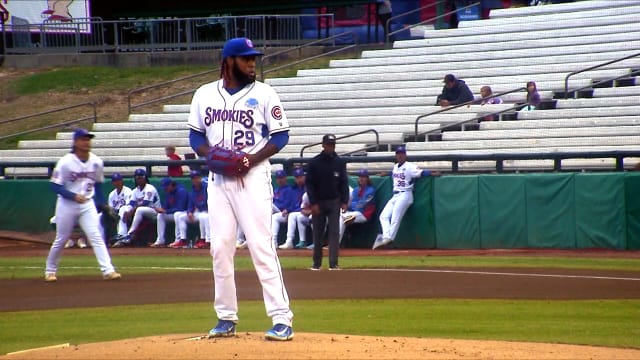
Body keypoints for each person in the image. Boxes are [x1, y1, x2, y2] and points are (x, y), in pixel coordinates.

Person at [187, 37, 294, 341]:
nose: (252, 63)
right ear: (228, 61)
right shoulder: (204, 94)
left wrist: (250, 159)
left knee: (261, 246)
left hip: (253, 179)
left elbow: (281, 136)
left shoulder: (264, 93)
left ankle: (282, 319)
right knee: (219, 248)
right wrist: (212, 156)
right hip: (218, 182)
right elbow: (195, 138)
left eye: (253, 58)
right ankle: (225, 317)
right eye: (246, 58)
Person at [44, 128, 121, 282]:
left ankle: (108, 270)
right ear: (75, 142)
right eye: (83, 139)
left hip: (87, 203)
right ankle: (50, 270)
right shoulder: (66, 162)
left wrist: (102, 203)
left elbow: (98, 184)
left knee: (96, 236)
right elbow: (55, 186)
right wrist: (72, 195)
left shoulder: (96, 161)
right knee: (62, 238)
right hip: (67, 204)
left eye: (88, 139)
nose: (86, 142)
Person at [372, 145, 439, 250]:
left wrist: (431, 173)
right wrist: (386, 173)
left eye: (402, 154)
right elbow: (395, 173)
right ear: (396, 156)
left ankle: (389, 238)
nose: (400, 156)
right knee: (383, 216)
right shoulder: (395, 166)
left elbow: (420, 172)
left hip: (405, 194)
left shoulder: (410, 166)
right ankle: (386, 237)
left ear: (405, 155)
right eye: (398, 154)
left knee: (395, 217)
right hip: (395, 195)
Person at [305, 134, 350, 271]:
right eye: (328, 144)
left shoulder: (339, 162)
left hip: (334, 201)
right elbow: (310, 185)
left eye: (333, 144)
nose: (331, 147)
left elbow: (344, 182)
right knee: (318, 233)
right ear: (323, 145)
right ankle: (316, 263)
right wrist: (313, 203)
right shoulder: (314, 163)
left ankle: (333, 263)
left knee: (334, 233)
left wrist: (344, 201)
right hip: (319, 202)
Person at [113, 168, 161, 247]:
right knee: (123, 208)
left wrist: (132, 211)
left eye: (141, 177)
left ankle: (130, 234)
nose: (139, 179)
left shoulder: (150, 188)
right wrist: (128, 211)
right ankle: (122, 234)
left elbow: (146, 203)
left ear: (145, 178)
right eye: (137, 178)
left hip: (155, 212)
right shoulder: (135, 190)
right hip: (142, 213)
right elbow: (131, 204)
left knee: (139, 209)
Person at [339, 169, 377, 244]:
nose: (361, 179)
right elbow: (352, 204)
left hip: (364, 215)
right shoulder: (356, 190)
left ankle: (335, 244)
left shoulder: (371, 190)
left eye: (363, 177)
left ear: (367, 179)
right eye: (360, 177)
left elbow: (362, 205)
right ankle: (335, 243)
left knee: (343, 217)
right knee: (340, 218)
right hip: (353, 213)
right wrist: (352, 205)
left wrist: (353, 205)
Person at [177, 170, 210, 249]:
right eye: (193, 178)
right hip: (200, 212)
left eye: (197, 178)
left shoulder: (207, 187)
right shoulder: (192, 191)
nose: (195, 180)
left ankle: (206, 240)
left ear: (200, 178)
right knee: (181, 217)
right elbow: (190, 205)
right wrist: (189, 212)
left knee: (204, 217)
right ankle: (183, 240)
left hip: (210, 211)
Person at [153, 177, 189, 249]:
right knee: (160, 215)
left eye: (166, 187)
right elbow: (166, 206)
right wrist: (161, 210)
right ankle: (160, 240)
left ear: (171, 185)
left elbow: (180, 208)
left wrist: (166, 211)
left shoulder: (181, 191)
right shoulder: (169, 192)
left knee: (177, 214)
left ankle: (178, 240)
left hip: (185, 213)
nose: (165, 189)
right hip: (174, 214)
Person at [279, 167, 307, 250]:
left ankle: (290, 241)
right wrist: (287, 209)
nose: (299, 179)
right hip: (296, 211)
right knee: (276, 217)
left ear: (304, 177)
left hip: (305, 212)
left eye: (301, 177)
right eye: (297, 177)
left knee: (293, 215)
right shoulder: (293, 189)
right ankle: (275, 241)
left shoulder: (308, 188)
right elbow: (291, 204)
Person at [271, 169, 295, 248]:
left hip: (284, 213)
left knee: (273, 215)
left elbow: (287, 204)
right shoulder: (276, 190)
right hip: (276, 211)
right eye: (278, 178)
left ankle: (273, 241)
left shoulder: (289, 190)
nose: (280, 180)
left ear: (285, 178)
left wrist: (286, 209)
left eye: (281, 178)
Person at [107, 172, 133, 244]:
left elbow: (129, 205)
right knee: (101, 216)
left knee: (123, 209)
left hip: (127, 211)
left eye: (118, 180)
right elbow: (111, 208)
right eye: (115, 181)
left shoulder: (128, 191)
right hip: (116, 213)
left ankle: (122, 235)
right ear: (112, 183)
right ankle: (101, 239)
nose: (117, 182)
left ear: (122, 181)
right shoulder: (111, 194)